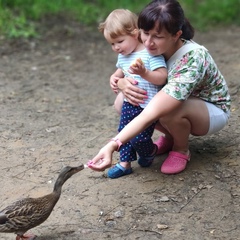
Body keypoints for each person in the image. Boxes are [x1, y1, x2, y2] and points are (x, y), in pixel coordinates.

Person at [88, 0, 231, 175]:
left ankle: (181, 149)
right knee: (124, 100)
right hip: (174, 101)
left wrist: (114, 144)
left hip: (210, 110)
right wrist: (121, 82)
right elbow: (129, 70)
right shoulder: (150, 47)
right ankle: (172, 136)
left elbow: (154, 109)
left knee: (171, 110)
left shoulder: (193, 58)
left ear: (176, 35)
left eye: (158, 36)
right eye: (145, 33)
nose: (148, 42)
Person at [97, 9, 167, 178]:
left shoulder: (150, 53)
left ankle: (149, 151)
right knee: (124, 132)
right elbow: (120, 71)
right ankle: (124, 163)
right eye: (112, 44)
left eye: (120, 41)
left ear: (135, 33)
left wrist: (144, 73)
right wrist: (114, 78)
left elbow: (162, 77)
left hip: (149, 105)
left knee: (140, 138)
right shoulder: (123, 56)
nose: (116, 47)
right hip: (130, 103)